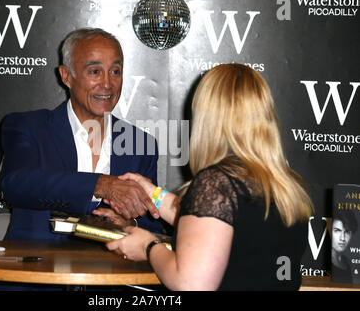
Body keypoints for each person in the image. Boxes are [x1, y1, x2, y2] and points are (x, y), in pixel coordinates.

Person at [105, 63, 314, 290]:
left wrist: (148, 246)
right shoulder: (284, 186)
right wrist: (152, 193)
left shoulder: (217, 182)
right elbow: (215, 226)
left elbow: (191, 284)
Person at [0, 28, 163, 241]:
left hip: (115, 270)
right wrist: (100, 185)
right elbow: (16, 185)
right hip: (38, 267)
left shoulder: (140, 143)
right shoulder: (28, 127)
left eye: (115, 72)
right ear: (67, 76)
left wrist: (131, 224)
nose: (107, 84)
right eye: (95, 72)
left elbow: (155, 224)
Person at [331, 209, 357, 282]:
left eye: (347, 232)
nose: (342, 238)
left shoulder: (348, 263)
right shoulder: (322, 262)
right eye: (337, 231)